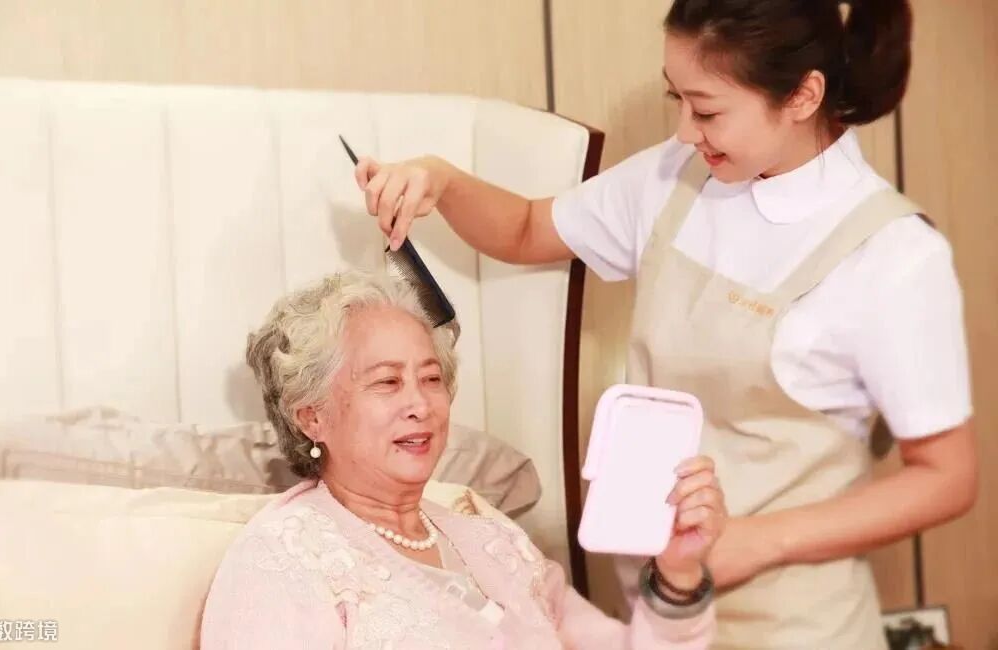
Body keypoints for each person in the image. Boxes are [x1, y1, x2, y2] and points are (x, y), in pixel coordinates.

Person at [349, 1, 978, 648]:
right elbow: (527, 229)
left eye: (706, 110)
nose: (684, 131)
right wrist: (442, 181)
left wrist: (757, 542)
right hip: (658, 613)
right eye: (676, 98)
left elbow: (947, 477)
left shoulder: (894, 256)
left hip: (797, 623)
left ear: (802, 95)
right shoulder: (678, 177)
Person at [200, 270, 728, 649]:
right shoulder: (285, 556)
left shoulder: (492, 537)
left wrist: (678, 571)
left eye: (431, 378)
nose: (420, 404)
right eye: (387, 382)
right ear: (312, 417)